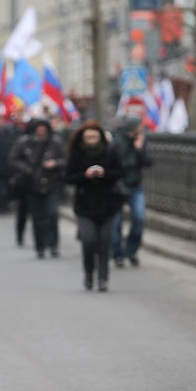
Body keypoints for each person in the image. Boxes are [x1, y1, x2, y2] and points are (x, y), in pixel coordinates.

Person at [65, 121, 124, 291]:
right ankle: (89, 272)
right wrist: (85, 175)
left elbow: (120, 172)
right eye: (88, 137)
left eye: (94, 136)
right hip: (85, 205)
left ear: (101, 137)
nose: (91, 140)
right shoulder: (77, 154)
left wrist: (104, 173)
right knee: (89, 241)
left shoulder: (110, 152)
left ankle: (103, 278)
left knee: (105, 242)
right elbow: (69, 177)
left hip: (107, 204)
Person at [8, 118, 66, 258]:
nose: (41, 131)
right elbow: (13, 160)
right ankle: (40, 246)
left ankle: (53, 245)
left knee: (52, 214)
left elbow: (65, 159)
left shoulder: (55, 142)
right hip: (31, 184)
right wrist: (26, 169)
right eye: (38, 128)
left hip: (51, 183)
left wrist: (55, 163)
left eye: (43, 128)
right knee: (37, 217)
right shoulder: (23, 142)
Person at [111, 116, 152, 267]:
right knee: (116, 222)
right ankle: (117, 254)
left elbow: (148, 162)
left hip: (135, 185)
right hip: (117, 185)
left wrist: (140, 149)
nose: (141, 130)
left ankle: (131, 249)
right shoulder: (116, 141)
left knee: (139, 218)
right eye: (139, 127)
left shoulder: (141, 141)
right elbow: (118, 163)